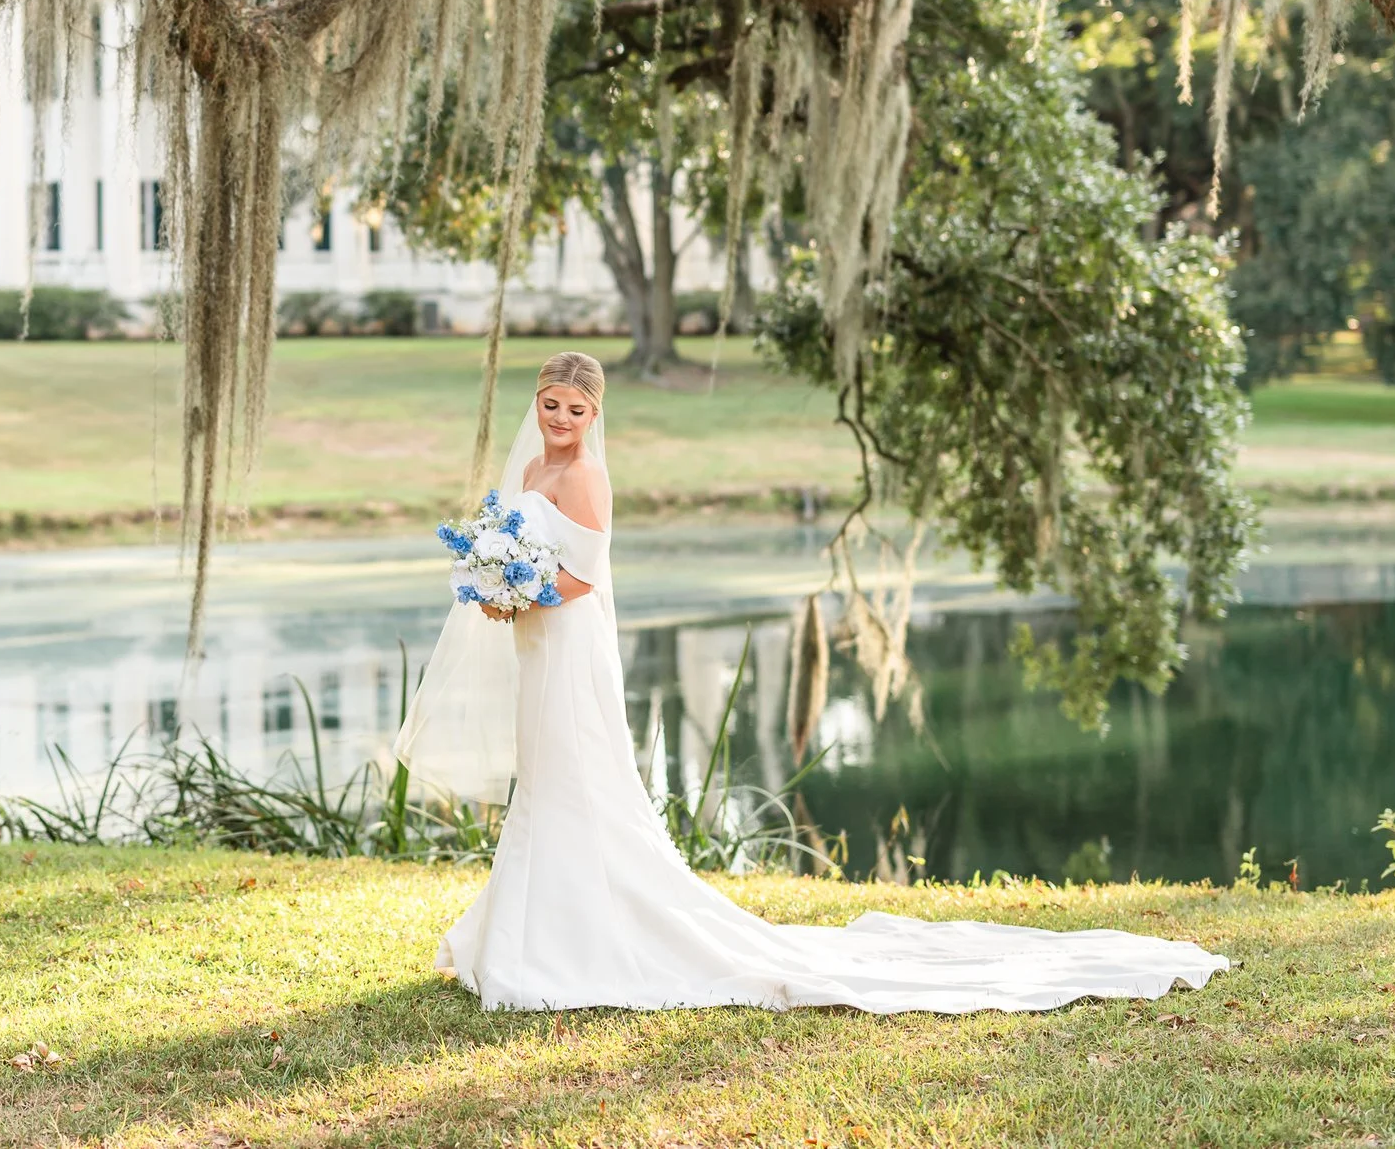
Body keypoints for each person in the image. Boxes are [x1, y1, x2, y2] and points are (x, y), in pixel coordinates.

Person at [395, 350, 1231, 1014]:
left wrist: (524, 590)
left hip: (569, 644)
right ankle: (525, 930)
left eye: (578, 410)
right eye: (552, 404)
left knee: (576, 775)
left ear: (596, 416)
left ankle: (567, 942)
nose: (563, 419)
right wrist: (500, 596)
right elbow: (525, 554)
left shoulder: (587, 477)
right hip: (535, 642)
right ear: (536, 402)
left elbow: (583, 576)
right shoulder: (532, 473)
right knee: (541, 778)